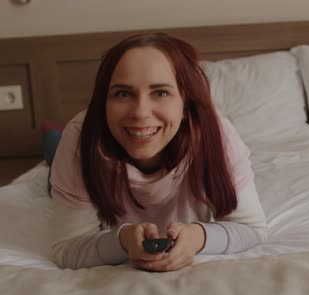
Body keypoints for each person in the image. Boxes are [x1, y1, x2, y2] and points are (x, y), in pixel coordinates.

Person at [49, 33, 268, 271]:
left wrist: (197, 237)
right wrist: (122, 241)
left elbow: (252, 229)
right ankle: (51, 142)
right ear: (103, 103)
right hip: (80, 150)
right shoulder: (80, 139)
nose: (141, 112)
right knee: (53, 161)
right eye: (123, 93)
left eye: (161, 92)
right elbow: (67, 248)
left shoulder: (218, 135)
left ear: (185, 104)